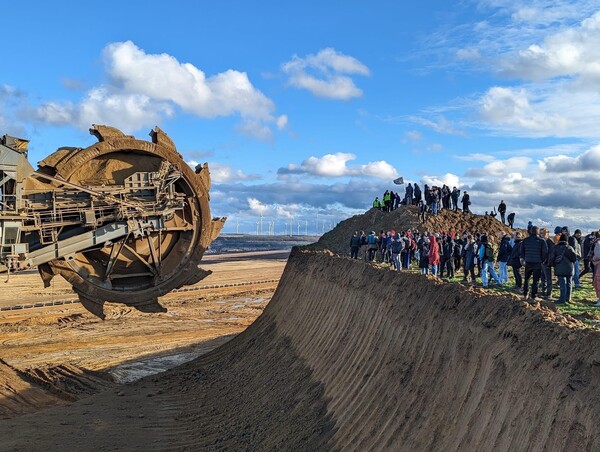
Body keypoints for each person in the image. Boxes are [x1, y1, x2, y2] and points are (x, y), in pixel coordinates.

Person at [521, 226, 548, 302]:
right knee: (535, 280)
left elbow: (522, 250)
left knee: (527, 279)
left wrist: (524, 258)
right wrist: (542, 260)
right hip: (537, 262)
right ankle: (534, 296)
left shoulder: (525, 240)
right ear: (538, 232)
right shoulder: (541, 241)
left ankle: (525, 294)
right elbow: (545, 252)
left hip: (528, 262)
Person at [549, 233, 577, 304]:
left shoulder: (555, 247)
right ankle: (568, 298)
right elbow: (574, 259)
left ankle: (562, 299)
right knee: (569, 283)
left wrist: (553, 265)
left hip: (559, 268)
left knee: (562, 284)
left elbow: (551, 258)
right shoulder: (570, 248)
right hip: (569, 268)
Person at [540, 228, 555, 298]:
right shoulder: (540, 241)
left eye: (544, 233)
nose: (543, 235)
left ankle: (549, 293)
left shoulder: (550, 242)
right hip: (541, 262)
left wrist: (549, 262)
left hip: (547, 263)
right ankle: (543, 291)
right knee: (542, 278)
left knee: (548, 278)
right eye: (542, 233)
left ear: (548, 234)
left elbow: (552, 253)